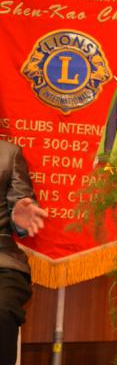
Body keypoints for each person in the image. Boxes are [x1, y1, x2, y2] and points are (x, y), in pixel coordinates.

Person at [0, 140, 47, 365]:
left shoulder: (9, 153)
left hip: (2, 261)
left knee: (2, 308)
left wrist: (19, 217)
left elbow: (22, 202)